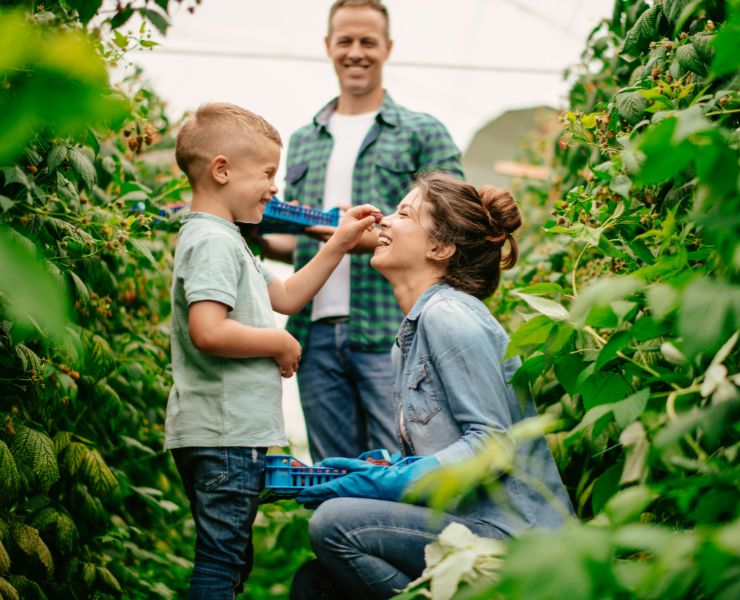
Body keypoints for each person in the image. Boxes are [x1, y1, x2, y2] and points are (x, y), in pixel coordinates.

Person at [289, 172, 575, 599]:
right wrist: (377, 470)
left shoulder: (449, 316)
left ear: (439, 248)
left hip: (512, 538)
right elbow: (447, 452)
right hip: (470, 526)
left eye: (403, 213)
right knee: (316, 584)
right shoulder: (412, 335)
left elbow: (490, 446)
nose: (384, 221)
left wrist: (381, 485)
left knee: (334, 524)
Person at [166, 102, 381, 598]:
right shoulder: (214, 243)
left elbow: (284, 296)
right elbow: (209, 330)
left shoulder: (228, 241)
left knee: (230, 559)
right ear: (221, 170)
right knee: (221, 564)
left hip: (221, 430)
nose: (274, 187)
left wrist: (339, 242)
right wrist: (280, 341)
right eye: (266, 173)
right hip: (225, 432)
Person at [257, 0, 464, 462]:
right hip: (314, 331)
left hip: (392, 331)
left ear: (387, 48)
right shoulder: (304, 138)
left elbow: (451, 231)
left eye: (368, 42)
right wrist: (256, 235)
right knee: (336, 477)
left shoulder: (421, 132)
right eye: (345, 41)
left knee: (405, 469)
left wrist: (333, 231)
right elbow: (299, 243)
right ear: (328, 46)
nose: (356, 52)